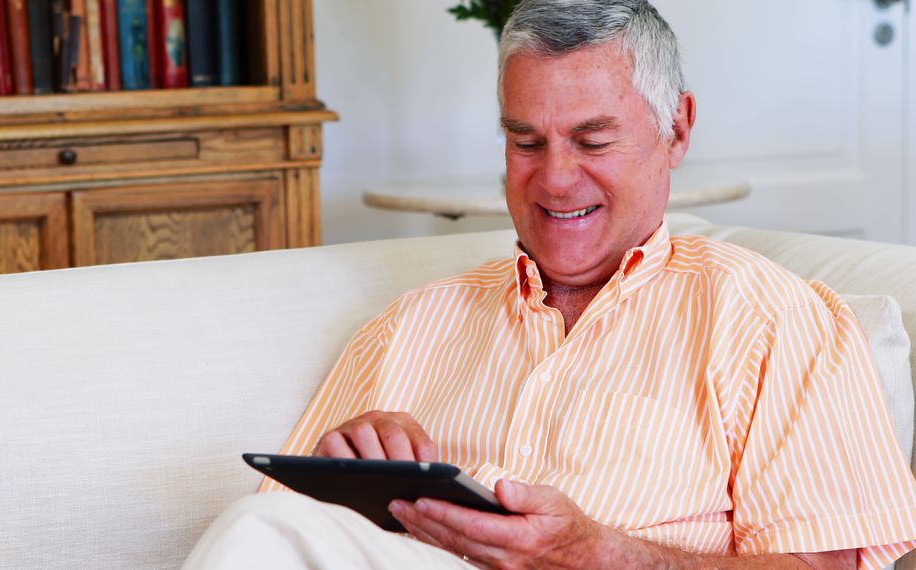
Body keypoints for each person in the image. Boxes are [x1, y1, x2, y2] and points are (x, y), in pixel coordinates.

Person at [184, 1, 916, 568]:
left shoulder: (774, 321)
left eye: (593, 140)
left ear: (678, 131)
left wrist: (603, 556)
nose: (556, 178)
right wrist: (354, 478)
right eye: (525, 142)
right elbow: (278, 534)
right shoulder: (409, 326)